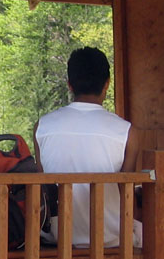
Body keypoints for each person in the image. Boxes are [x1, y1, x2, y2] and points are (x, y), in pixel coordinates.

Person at [34, 47, 140, 248]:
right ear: (107, 84)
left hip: (59, 240)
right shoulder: (126, 132)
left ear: (70, 85)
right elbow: (127, 195)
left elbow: (43, 188)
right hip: (112, 242)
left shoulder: (42, 127)